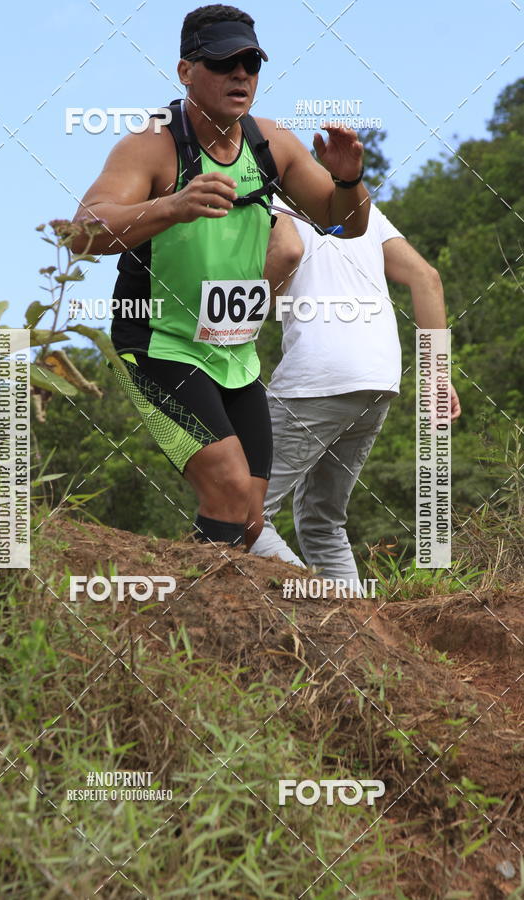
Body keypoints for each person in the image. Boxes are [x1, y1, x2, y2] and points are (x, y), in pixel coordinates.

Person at [72, 3, 371, 549]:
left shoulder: (271, 143)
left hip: (234, 353)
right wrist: (171, 206)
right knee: (229, 489)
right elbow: (83, 233)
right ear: (186, 70)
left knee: (251, 517)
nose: (241, 75)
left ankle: (207, 618)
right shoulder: (152, 145)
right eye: (223, 62)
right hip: (160, 342)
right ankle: (172, 618)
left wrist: (349, 180)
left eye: (251, 63)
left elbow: (343, 223)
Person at [250, 195, 461, 588]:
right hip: (378, 379)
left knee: (240, 513)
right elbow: (426, 277)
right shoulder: (358, 209)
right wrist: (436, 375)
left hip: (318, 376)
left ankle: (320, 609)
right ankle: (358, 635)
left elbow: (288, 254)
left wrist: (241, 323)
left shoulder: (266, 198)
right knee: (322, 521)